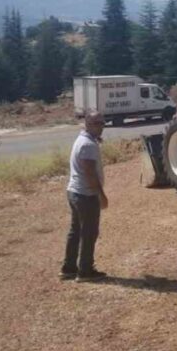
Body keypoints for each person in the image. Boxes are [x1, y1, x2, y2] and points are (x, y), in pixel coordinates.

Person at [61, 111, 109, 282]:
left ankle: (68, 268)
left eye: (103, 123)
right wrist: (101, 195)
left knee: (76, 232)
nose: (101, 127)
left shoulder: (83, 140)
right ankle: (85, 271)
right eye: (97, 123)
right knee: (89, 233)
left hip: (74, 192)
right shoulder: (88, 145)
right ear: (87, 124)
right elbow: (89, 173)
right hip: (85, 195)